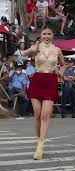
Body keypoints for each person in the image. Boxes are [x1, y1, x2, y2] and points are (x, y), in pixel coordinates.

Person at [21, 28, 65, 160]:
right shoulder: (36, 48)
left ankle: (40, 145)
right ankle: (38, 139)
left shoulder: (57, 50)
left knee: (45, 115)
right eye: (44, 34)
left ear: (53, 36)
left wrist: (60, 73)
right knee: (37, 114)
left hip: (50, 81)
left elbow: (63, 65)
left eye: (49, 34)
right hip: (37, 80)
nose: (46, 36)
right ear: (41, 35)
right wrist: (31, 49)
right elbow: (21, 54)